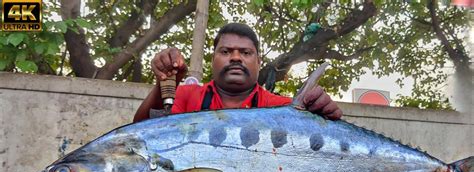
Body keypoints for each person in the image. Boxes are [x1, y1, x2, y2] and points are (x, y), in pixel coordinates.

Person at [133, 23, 342, 123]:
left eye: (245, 52)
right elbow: (142, 132)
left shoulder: (283, 107)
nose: (235, 57)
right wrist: (164, 85)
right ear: (213, 60)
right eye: (225, 51)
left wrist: (322, 115)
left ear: (259, 62)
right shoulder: (187, 95)